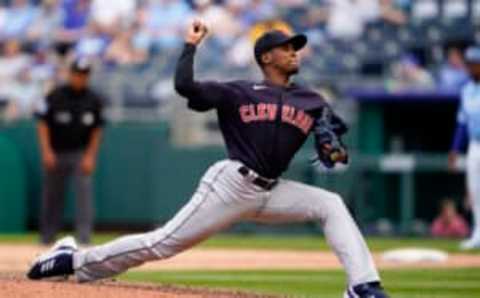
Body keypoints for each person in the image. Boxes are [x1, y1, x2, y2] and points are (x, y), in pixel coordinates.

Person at [27, 20, 389, 298]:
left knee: (331, 204)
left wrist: (333, 145)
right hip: (232, 184)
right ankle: (73, 260)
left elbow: (333, 142)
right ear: (266, 57)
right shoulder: (239, 91)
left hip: (272, 190)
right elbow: (186, 87)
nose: (294, 51)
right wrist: (190, 46)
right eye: (286, 47)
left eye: (296, 47)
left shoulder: (312, 100)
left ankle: (363, 286)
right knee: (161, 243)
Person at [35, 58, 104, 245]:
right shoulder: (55, 95)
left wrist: (90, 156)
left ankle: (84, 238)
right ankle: (47, 237)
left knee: (84, 197)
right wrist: (46, 151)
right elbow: (42, 123)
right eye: (78, 74)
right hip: (56, 152)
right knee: (52, 196)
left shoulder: (94, 99)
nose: (81, 78)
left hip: (79, 153)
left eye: (84, 75)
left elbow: (97, 129)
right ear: (70, 74)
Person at [449, 46, 480, 250]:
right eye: (468, 64)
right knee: (475, 191)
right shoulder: (467, 89)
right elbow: (462, 122)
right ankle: (478, 233)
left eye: (474, 64)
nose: (470, 68)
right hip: (475, 144)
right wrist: (455, 148)